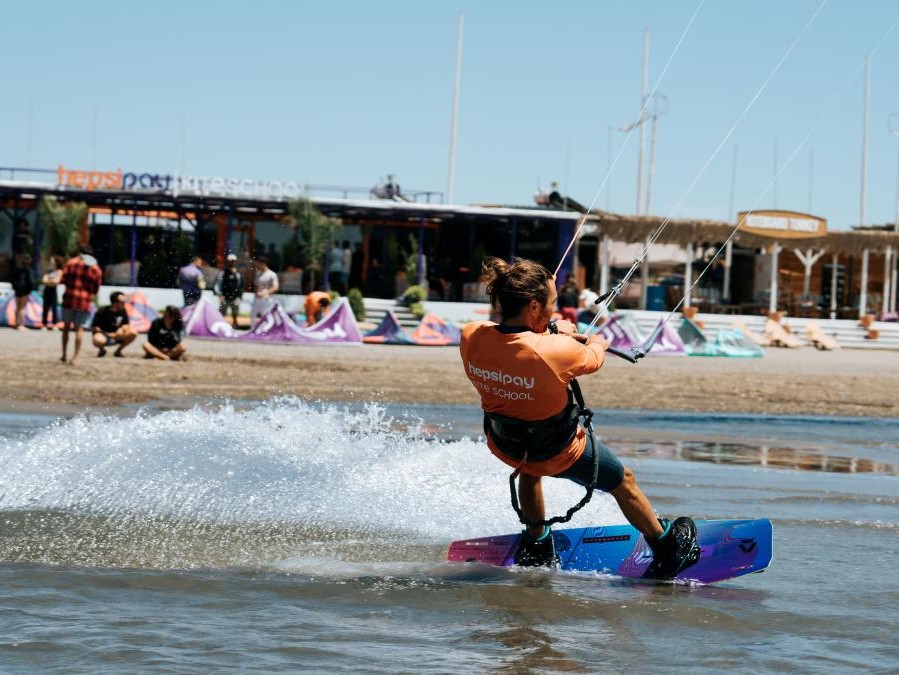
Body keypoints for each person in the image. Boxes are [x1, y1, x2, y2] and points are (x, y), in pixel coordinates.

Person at [459, 257, 700, 577]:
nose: (554, 310)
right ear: (533, 307)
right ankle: (666, 545)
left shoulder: (471, 336)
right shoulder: (553, 351)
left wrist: (552, 334)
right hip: (557, 450)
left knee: (529, 472)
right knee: (622, 480)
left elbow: (513, 342)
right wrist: (596, 340)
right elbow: (593, 357)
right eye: (552, 303)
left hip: (506, 445)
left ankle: (536, 543)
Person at [60, 244, 103, 365]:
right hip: (84, 302)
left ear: (80, 252)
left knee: (66, 328)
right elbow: (96, 289)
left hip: (69, 299)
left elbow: (63, 279)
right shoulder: (95, 268)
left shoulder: (71, 263)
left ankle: (63, 354)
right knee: (79, 329)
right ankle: (75, 357)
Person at [91, 291, 137, 357]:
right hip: (104, 335)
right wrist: (108, 334)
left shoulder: (123, 310)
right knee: (98, 340)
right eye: (123, 302)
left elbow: (126, 324)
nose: (125, 304)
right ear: (115, 303)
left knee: (133, 332)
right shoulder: (102, 311)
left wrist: (123, 328)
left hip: (117, 335)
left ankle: (118, 351)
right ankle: (102, 350)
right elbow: (94, 327)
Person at [214, 254, 243, 328]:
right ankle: (220, 326)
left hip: (235, 297)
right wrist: (219, 295)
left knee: (235, 313)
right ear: (227, 261)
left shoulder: (238, 273)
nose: (232, 263)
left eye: (233, 261)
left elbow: (240, 286)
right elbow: (217, 284)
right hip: (225, 296)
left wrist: (239, 296)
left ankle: (235, 325)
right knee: (222, 313)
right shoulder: (223, 273)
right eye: (231, 261)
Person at [251, 256, 279, 326]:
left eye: (258, 264)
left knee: (265, 317)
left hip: (267, 299)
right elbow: (256, 285)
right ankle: (253, 331)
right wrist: (257, 292)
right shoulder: (258, 273)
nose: (257, 266)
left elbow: (275, 287)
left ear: (263, 263)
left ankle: (265, 332)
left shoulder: (272, 274)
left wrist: (264, 293)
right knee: (252, 315)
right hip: (257, 299)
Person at [11, 253, 35, 331]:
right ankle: (21, 324)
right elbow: (31, 281)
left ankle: (16, 323)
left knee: (18, 308)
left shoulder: (17, 269)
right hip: (24, 290)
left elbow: (13, 279)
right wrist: (30, 290)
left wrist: (15, 288)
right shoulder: (28, 270)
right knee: (22, 308)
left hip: (17, 290)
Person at [41, 255, 65, 330]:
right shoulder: (48, 271)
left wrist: (49, 281)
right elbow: (43, 280)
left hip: (53, 291)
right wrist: (51, 281)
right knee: (45, 307)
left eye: (52, 260)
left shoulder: (59, 271)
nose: (51, 262)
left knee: (54, 307)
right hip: (47, 290)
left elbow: (56, 281)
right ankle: (44, 324)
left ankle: (54, 324)